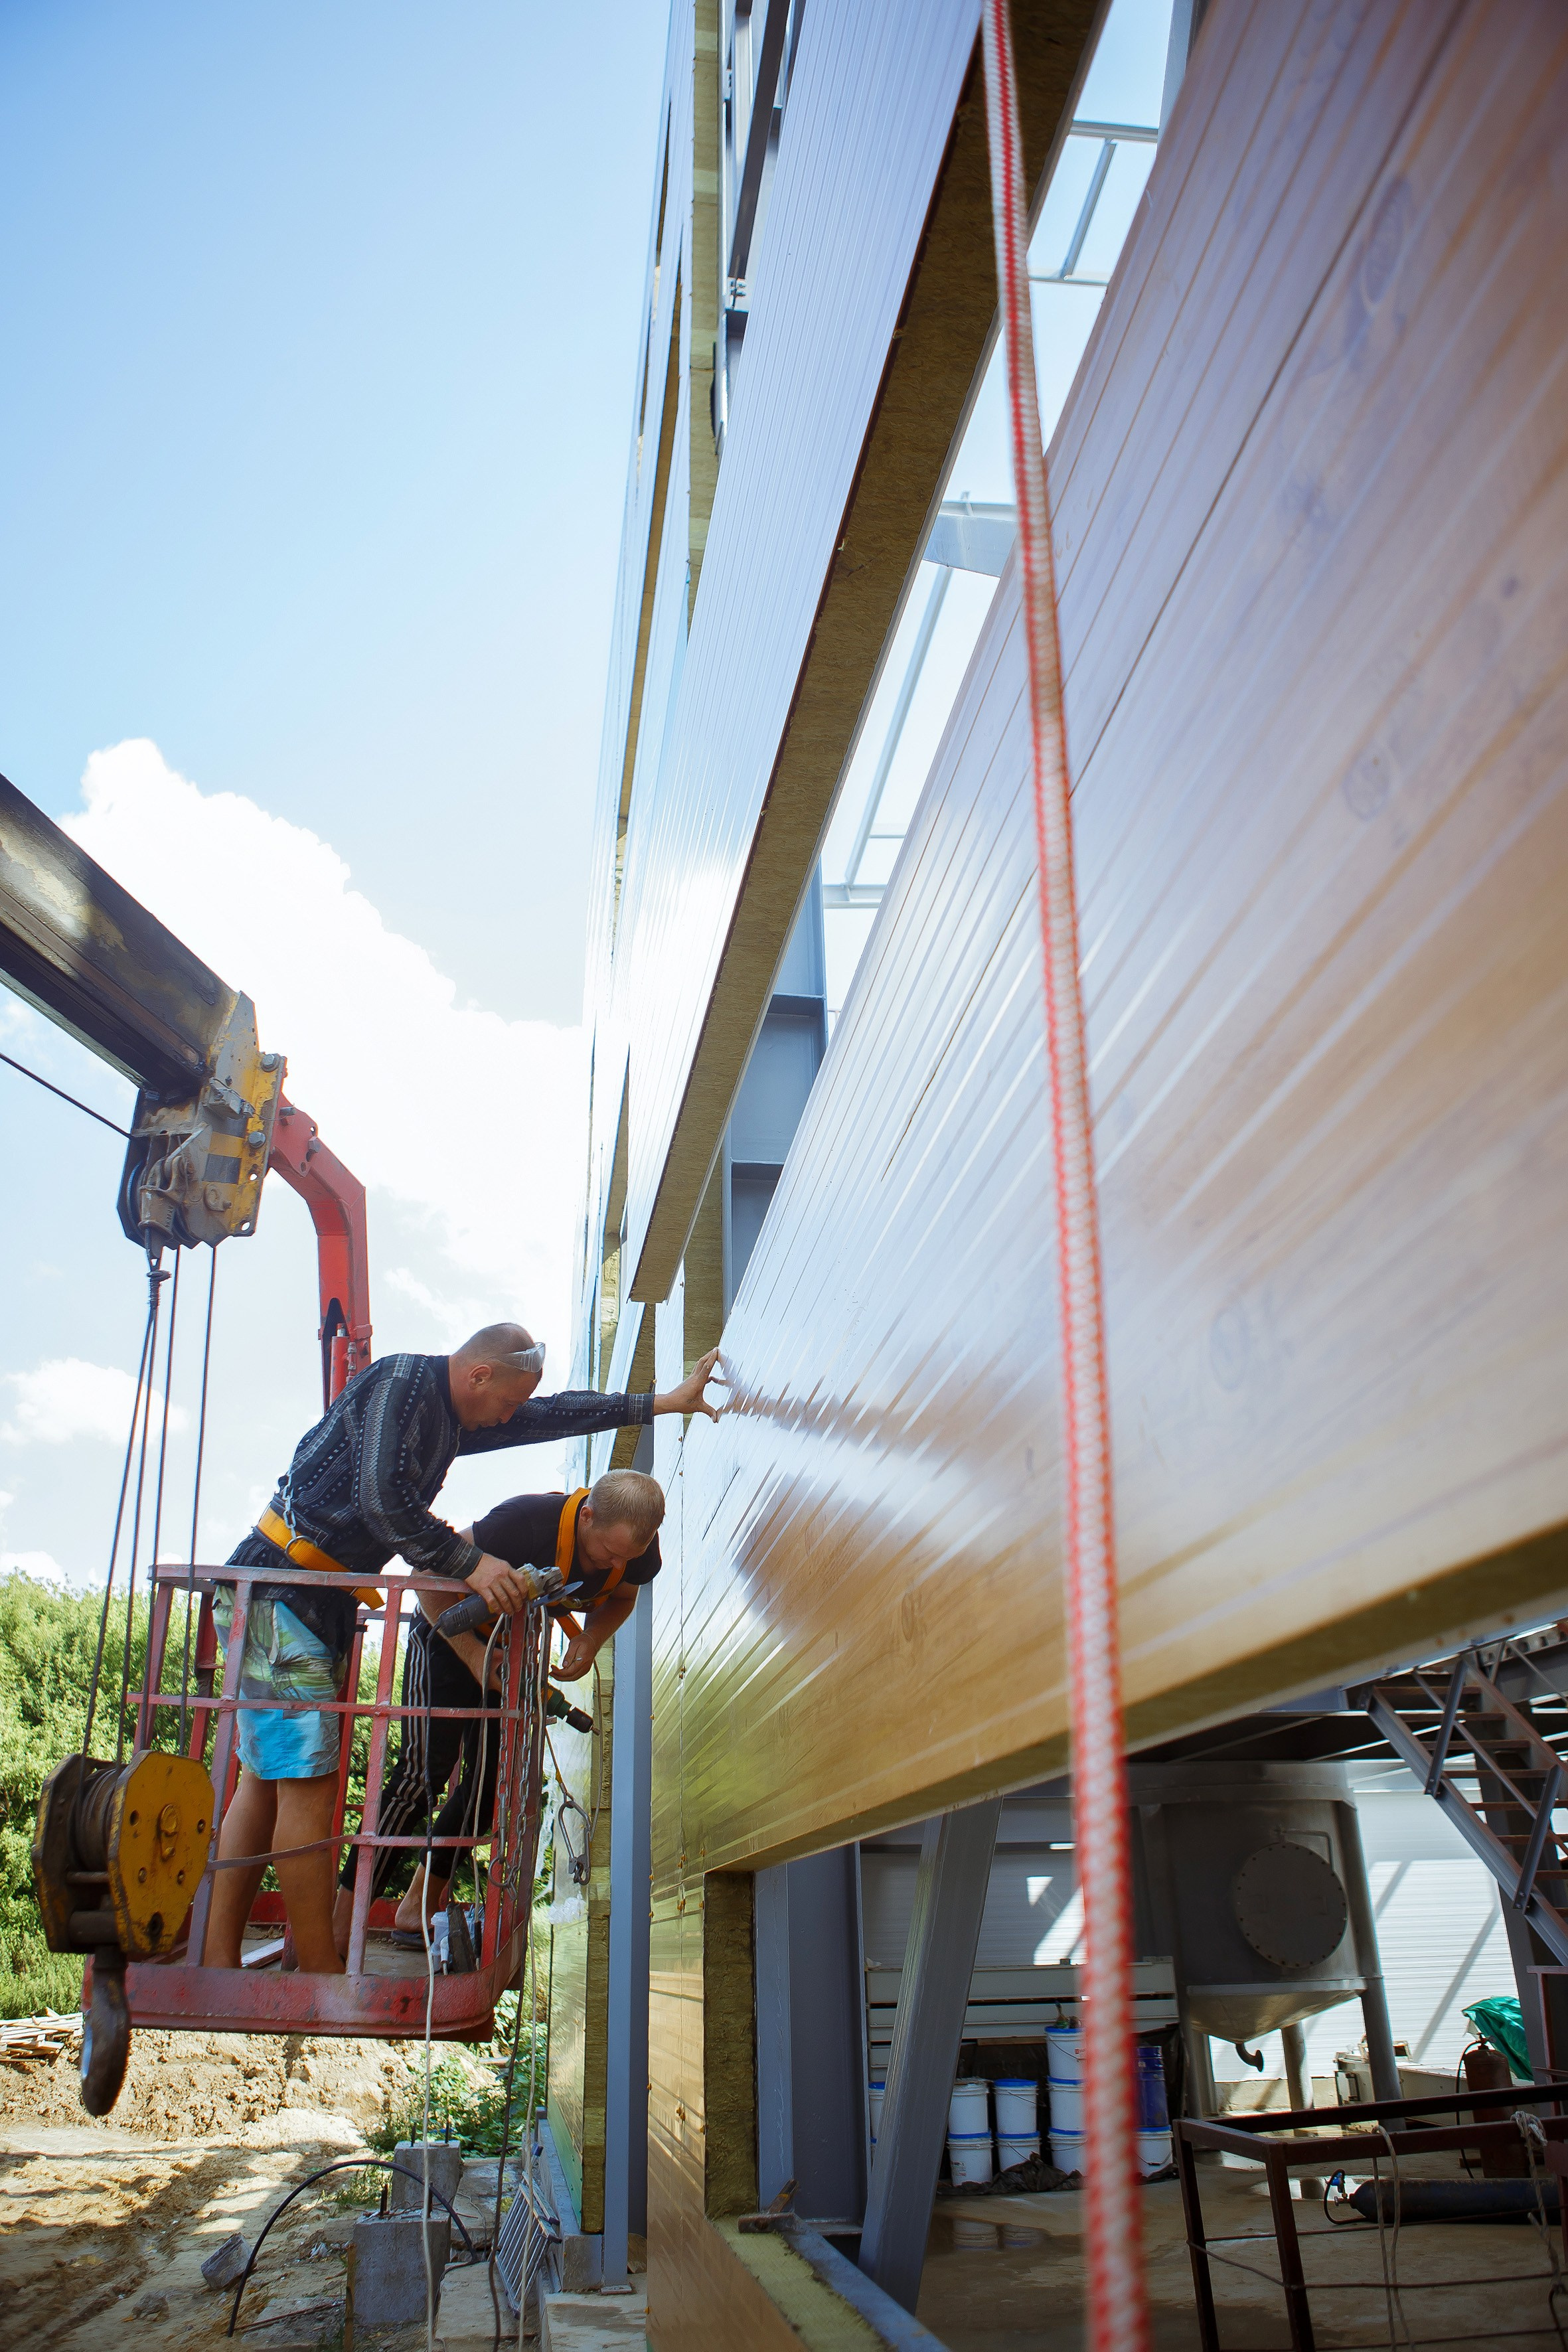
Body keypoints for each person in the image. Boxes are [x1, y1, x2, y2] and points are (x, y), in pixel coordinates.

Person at [204, 1325, 719, 1972]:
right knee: (307, 1788)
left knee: (265, 1782)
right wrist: (469, 1563)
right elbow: (382, 1500)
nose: (508, 1418)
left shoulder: (451, 1415)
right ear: (478, 1376)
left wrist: (660, 1403)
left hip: (312, 1600)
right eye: (506, 1403)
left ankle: (221, 1957)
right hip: (283, 1587)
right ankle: (319, 1970)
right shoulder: (401, 1384)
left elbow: (550, 1415)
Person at [330, 1466, 665, 1947]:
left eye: (625, 1556)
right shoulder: (524, 1520)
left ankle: (416, 1906)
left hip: (508, 1652)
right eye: (607, 1552)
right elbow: (425, 1578)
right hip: (448, 1634)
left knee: (489, 1787)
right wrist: (473, 1659)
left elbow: (625, 1596)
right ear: (586, 1515)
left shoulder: (634, 1548)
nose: (612, 1564)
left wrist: (591, 1638)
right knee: (421, 1776)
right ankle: (343, 1917)